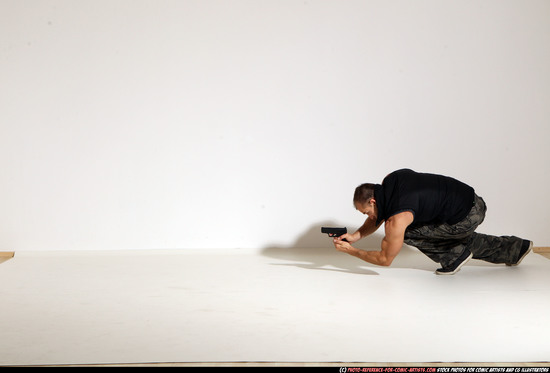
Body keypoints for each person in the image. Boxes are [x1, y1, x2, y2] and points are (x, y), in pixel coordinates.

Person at [333, 168, 533, 275]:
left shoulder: (397, 219)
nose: (369, 217)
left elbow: (385, 260)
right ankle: (516, 248)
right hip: (473, 199)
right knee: (438, 232)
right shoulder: (391, 179)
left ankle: (453, 256)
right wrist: (354, 236)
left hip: (466, 217)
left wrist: (352, 251)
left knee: (407, 233)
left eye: (366, 212)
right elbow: (380, 214)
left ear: (373, 200)